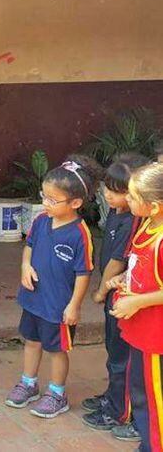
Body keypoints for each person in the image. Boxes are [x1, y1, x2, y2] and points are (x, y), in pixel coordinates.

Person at [4, 155, 102, 419]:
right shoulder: (40, 221)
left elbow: (84, 273)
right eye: (43, 196)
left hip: (58, 306)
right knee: (31, 341)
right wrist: (25, 266)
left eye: (52, 200)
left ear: (76, 203)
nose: (45, 204)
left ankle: (57, 393)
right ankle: (28, 383)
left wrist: (74, 305)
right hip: (33, 298)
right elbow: (30, 247)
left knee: (56, 349)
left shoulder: (80, 234)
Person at [82, 153, 150, 433]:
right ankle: (114, 398)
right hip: (116, 293)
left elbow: (117, 261)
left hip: (122, 294)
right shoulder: (116, 212)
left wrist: (100, 291)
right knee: (113, 348)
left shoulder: (132, 221)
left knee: (123, 354)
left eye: (118, 192)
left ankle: (121, 411)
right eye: (107, 188)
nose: (109, 195)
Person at [106, 163, 163, 452]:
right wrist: (123, 279)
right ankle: (149, 442)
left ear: (153, 206)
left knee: (155, 397)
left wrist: (137, 301)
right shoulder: (145, 226)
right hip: (140, 329)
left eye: (132, 196)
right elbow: (141, 266)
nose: (126, 200)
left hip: (156, 335)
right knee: (141, 392)